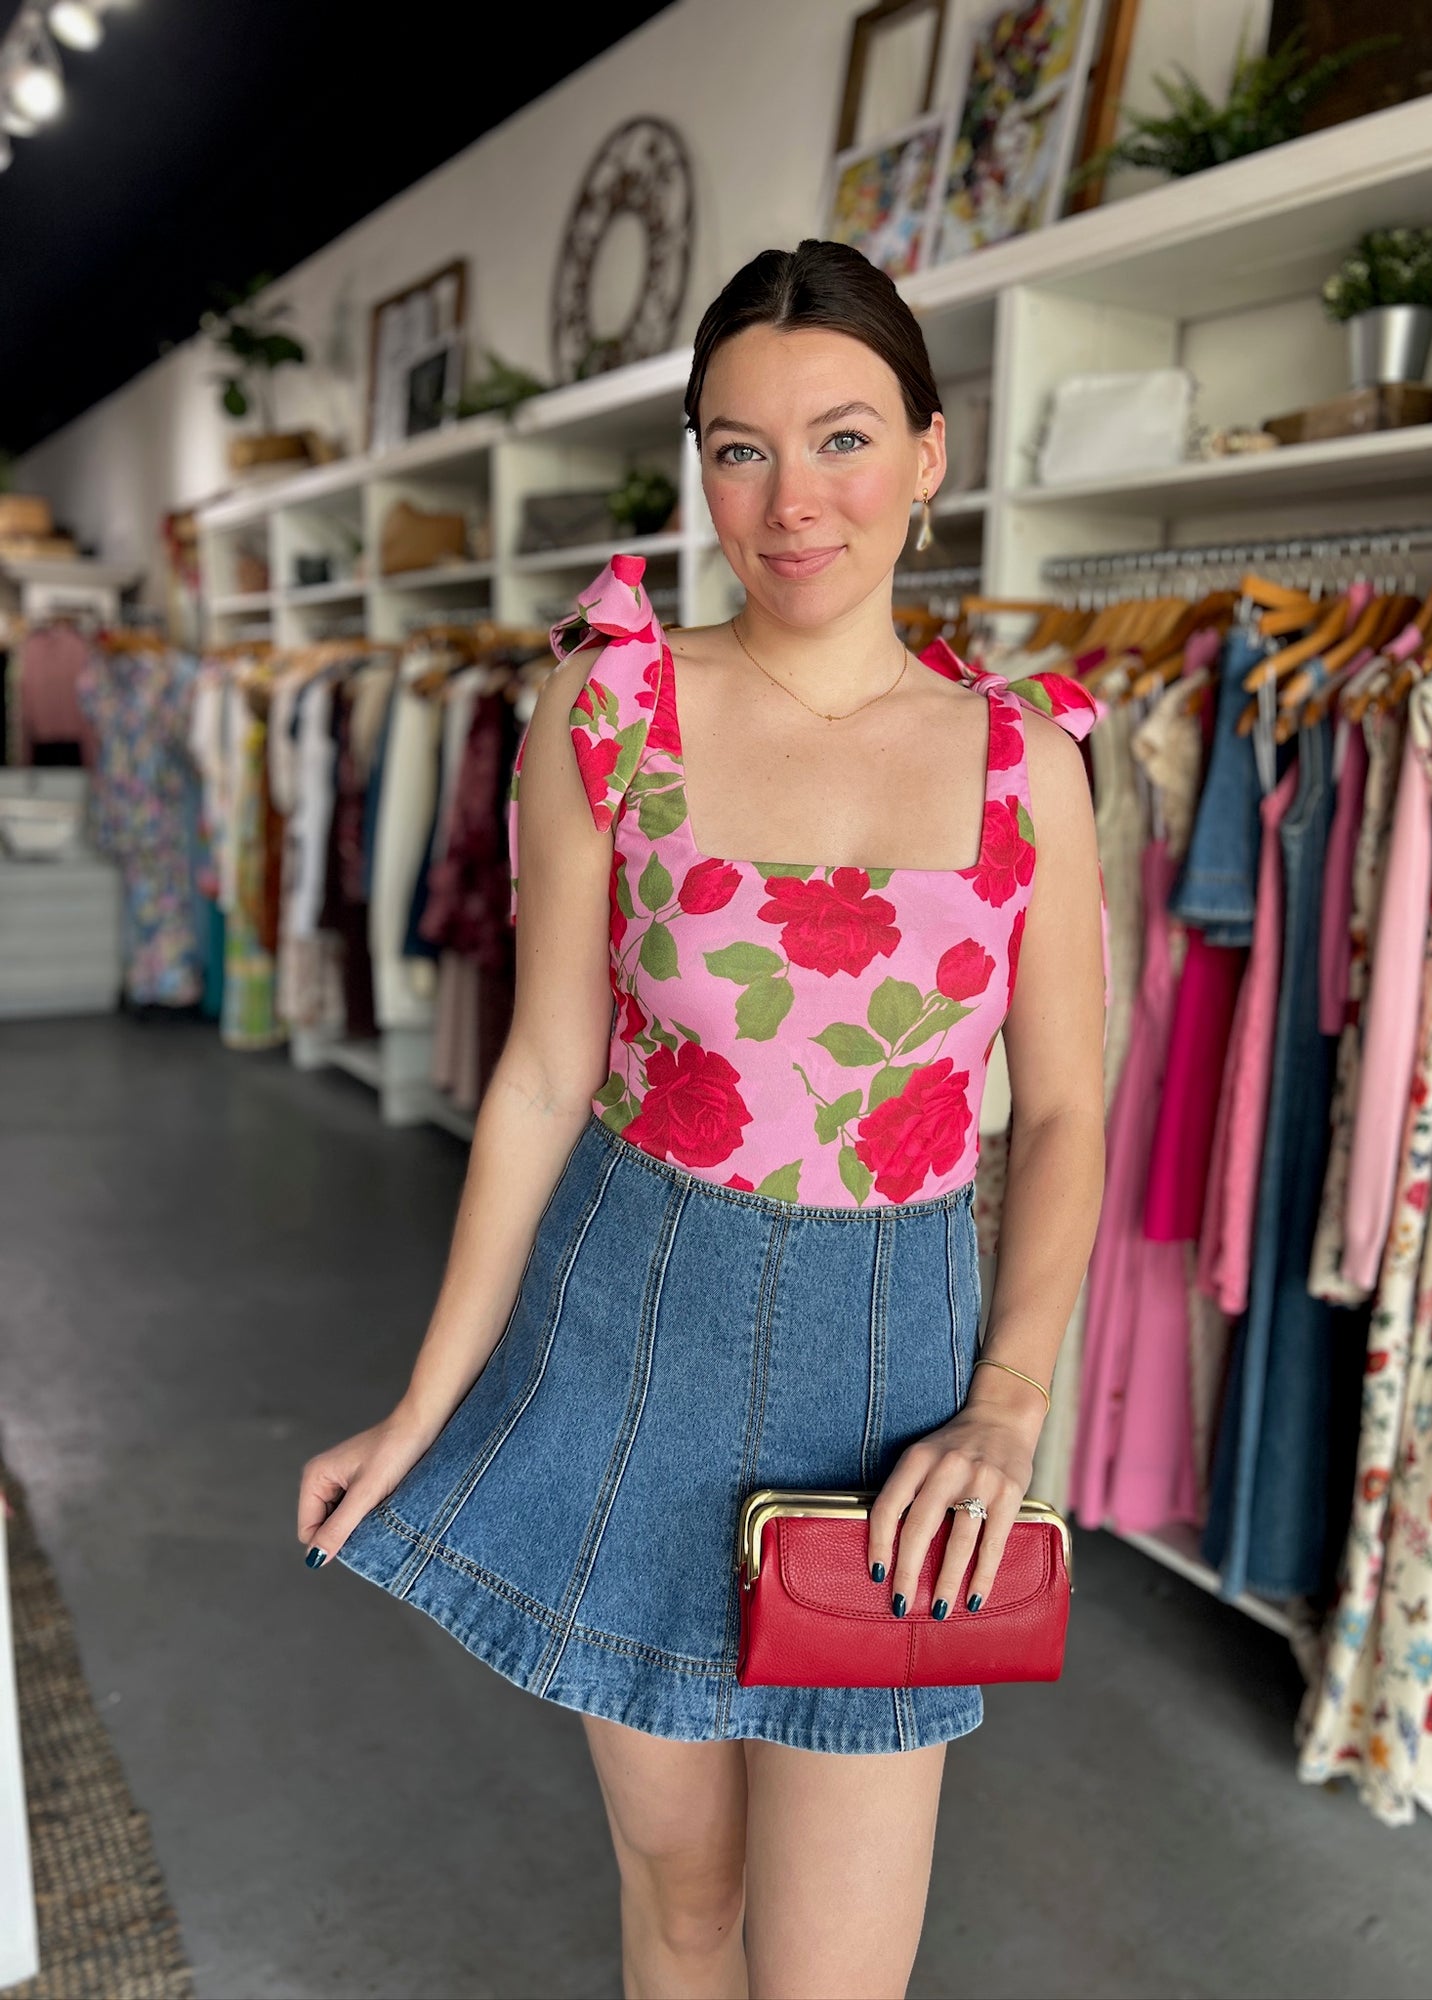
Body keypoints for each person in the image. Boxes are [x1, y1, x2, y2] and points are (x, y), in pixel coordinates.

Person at [299, 238, 1107, 2000]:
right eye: (740, 448)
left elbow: (1064, 1112)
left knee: (834, 1974)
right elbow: (539, 1075)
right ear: (701, 469)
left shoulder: (1027, 759)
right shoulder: (610, 702)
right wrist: (425, 1406)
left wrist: (1010, 1405)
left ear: (931, 454)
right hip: (632, 1333)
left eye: (843, 439)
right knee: (683, 1902)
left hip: (892, 1387)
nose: (792, 501)